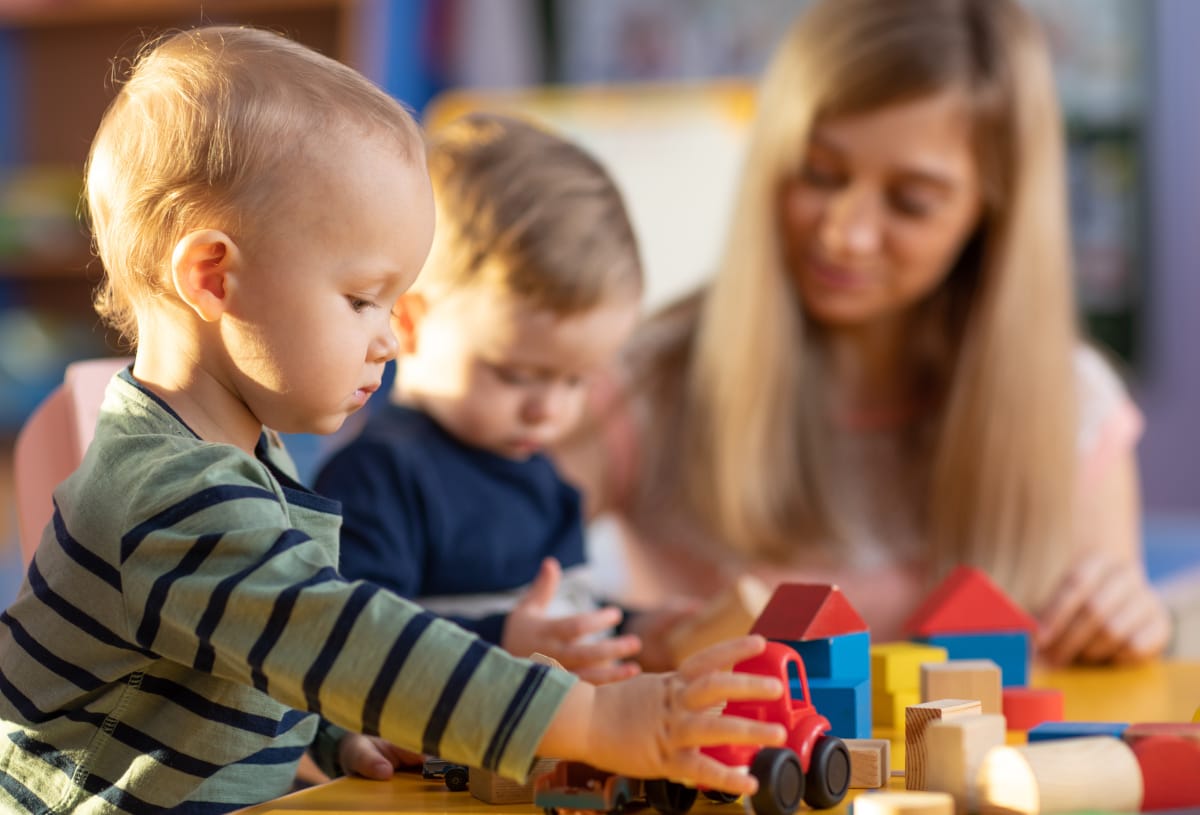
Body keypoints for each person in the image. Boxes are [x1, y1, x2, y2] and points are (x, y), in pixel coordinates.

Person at [0, 27, 785, 813]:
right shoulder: (171, 493)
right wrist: (591, 716)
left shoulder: (236, 453)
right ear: (214, 278)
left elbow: (245, 653)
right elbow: (337, 635)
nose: (387, 337)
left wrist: (333, 734)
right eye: (360, 299)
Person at [557, 0, 1170, 665]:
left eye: (911, 201)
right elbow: (481, 595)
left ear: (991, 212)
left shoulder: (1071, 408)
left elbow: (1104, 674)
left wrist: (1129, 621)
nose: (845, 234)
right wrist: (649, 635)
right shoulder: (647, 382)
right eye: (819, 173)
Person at [315, 113, 687, 682]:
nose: (549, 409)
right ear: (410, 323)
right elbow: (352, 643)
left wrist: (638, 629)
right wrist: (504, 643)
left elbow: (569, 616)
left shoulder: (545, 481)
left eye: (576, 380)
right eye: (516, 375)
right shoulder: (380, 474)